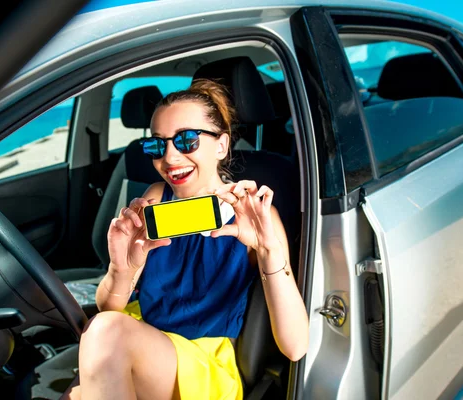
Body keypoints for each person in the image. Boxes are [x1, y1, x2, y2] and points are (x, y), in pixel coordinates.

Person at [63, 79, 308, 400]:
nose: (169, 157)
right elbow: (109, 306)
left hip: (203, 362)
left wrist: (268, 251)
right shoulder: (155, 198)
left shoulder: (256, 216)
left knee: (105, 332)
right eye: (157, 145)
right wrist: (121, 268)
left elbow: (295, 348)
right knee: (99, 338)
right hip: (142, 337)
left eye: (187, 140)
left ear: (221, 145)